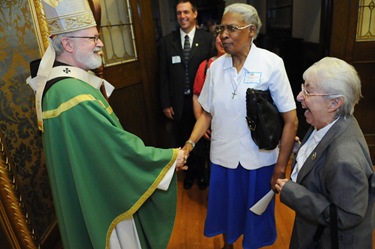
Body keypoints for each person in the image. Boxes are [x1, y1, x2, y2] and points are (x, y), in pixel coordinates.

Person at [26, 0, 186, 248]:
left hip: (90, 186)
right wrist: (169, 158)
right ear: (67, 43)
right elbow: (114, 150)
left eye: (98, 37)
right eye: (92, 38)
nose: (100, 43)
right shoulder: (72, 95)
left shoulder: (63, 87)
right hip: (103, 197)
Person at [182, 3, 298, 249]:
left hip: (260, 161)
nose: (223, 35)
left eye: (231, 29)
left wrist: (280, 167)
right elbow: (206, 115)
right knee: (227, 213)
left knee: (256, 218)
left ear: (252, 31)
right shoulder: (215, 68)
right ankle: (228, 245)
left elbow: (291, 120)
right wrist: (189, 145)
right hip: (223, 159)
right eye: (222, 28)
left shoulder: (271, 64)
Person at [275, 57, 374, 249]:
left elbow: (347, 216)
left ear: (334, 103)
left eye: (308, 92)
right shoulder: (329, 122)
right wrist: (301, 150)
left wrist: (291, 192)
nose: (299, 96)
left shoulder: (344, 159)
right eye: (303, 88)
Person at [159, 0, 215, 190]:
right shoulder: (168, 42)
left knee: (201, 139)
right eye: (179, 13)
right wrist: (166, 103)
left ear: (195, 14)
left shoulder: (207, 39)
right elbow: (163, 74)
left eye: (186, 12)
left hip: (201, 102)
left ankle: (202, 173)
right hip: (178, 102)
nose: (182, 17)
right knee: (183, 137)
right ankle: (189, 173)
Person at [191, 34, 225, 187]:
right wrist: (201, 123)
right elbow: (197, 95)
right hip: (211, 124)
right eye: (219, 37)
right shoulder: (206, 66)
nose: (223, 40)